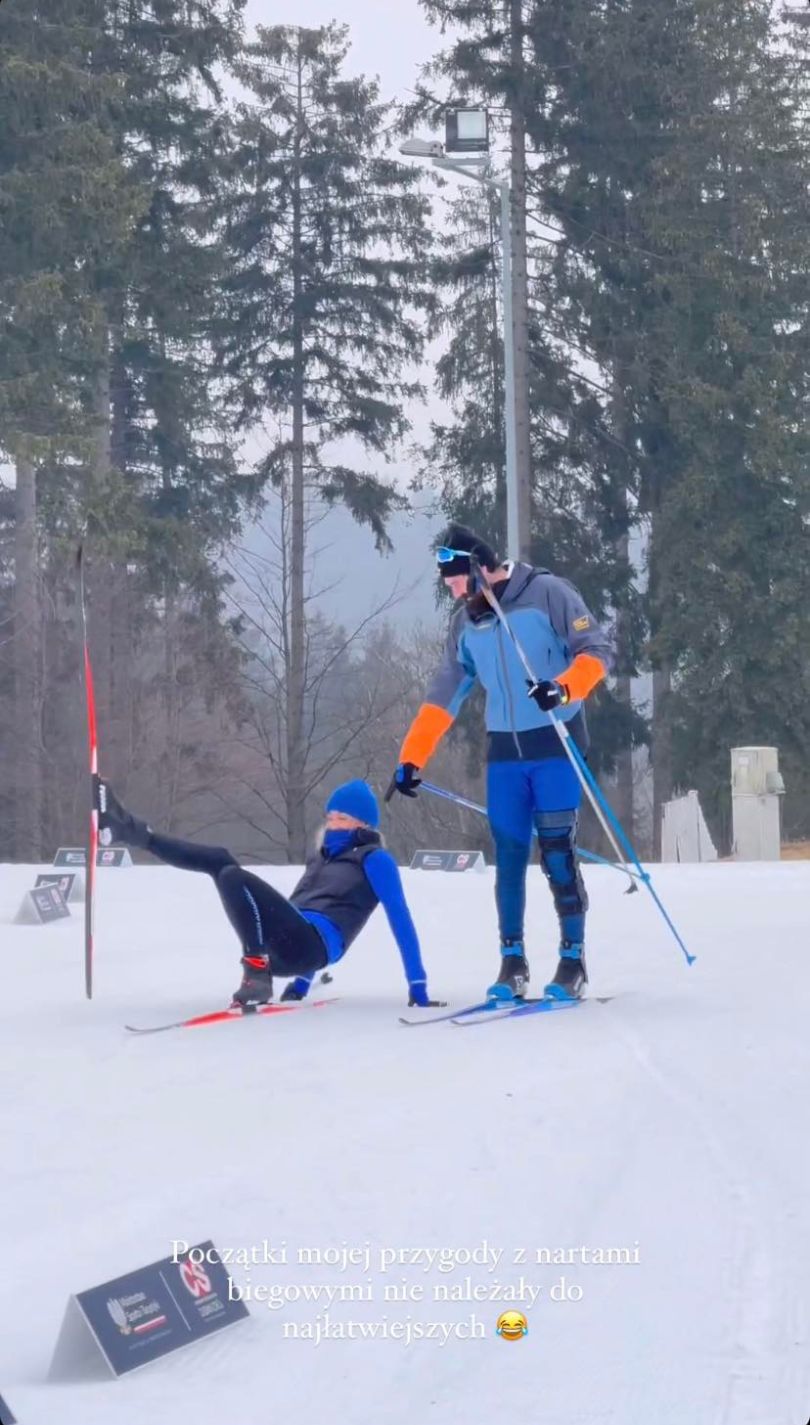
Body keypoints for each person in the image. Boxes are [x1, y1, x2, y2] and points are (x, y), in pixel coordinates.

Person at [387, 524, 611, 1003]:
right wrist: (411, 757)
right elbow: (444, 694)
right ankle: (512, 962)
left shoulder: (547, 593)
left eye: (455, 579)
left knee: (556, 852)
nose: (453, 590)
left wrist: (563, 689)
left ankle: (572, 960)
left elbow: (596, 652)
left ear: (478, 567)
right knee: (508, 857)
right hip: (505, 753)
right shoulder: (466, 623)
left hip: (555, 744)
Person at [95, 776, 443, 1010]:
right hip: (285, 946)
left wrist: (418, 986)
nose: (332, 824)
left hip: (311, 948)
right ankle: (134, 832)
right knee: (222, 862)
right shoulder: (320, 856)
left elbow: (400, 919)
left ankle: (256, 971)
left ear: (363, 824)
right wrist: (300, 987)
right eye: (330, 817)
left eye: (342, 818)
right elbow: (300, 910)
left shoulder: (375, 860)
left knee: (232, 875)